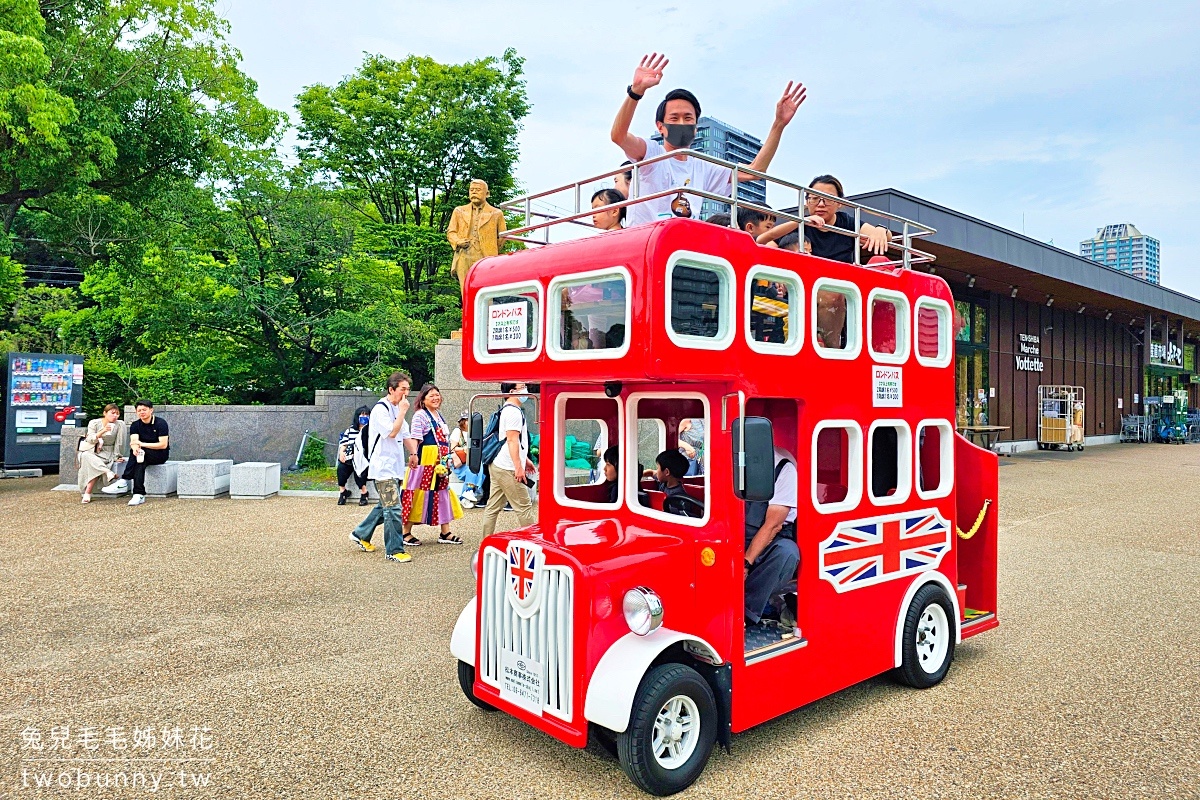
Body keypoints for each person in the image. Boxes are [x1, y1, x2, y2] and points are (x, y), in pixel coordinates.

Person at [611, 53, 807, 226]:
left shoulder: (703, 167)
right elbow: (618, 136)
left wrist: (778, 124)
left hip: (683, 245)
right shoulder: (652, 152)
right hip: (646, 238)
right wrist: (635, 92)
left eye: (688, 118)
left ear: (696, 127)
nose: (681, 123)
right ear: (660, 126)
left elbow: (756, 171)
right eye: (674, 118)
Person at [349, 371, 413, 564]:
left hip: (394, 466)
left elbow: (406, 433)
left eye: (408, 390)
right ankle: (394, 549)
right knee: (393, 509)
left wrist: (414, 454)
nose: (406, 394)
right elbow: (392, 433)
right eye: (402, 389)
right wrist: (402, 411)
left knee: (385, 506)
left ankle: (360, 533)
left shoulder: (396, 408)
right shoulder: (380, 409)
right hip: (383, 468)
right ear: (391, 389)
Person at [756, 175, 889, 262]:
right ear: (807, 202)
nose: (820, 204)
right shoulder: (798, 225)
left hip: (839, 288)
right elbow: (765, 243)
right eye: (814, 198)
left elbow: (884, 237)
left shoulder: (846, 221)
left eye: (828, 199)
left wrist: (881, 229)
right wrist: (800, 221)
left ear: (839, 203)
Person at [744, 446, 800, 629]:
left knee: (787, 553)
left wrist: (746, 562)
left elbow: (773, 525)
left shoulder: (784, 469)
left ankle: (745, 612)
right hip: (735, 532)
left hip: (770, 537)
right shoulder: (730, 462)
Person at [402, 383, 464, 545]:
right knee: (417, 493)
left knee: (441, 493)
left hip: (440, 463)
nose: (436, 398)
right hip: (424, 462)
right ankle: (405, 532)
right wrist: (414, 455)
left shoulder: (438, 415)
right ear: (423, 400)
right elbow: (415, 437)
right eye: (431, 396)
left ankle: (445, 532)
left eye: (437, 395)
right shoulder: (420, 415)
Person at [481, 382, 537, 539]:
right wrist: (518, 467)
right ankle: (533, 542)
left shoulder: (507, 409)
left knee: (493, 506)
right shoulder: (513, 412)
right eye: (522, 386)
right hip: (508, 467)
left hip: (498, 464)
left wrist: (524, 459)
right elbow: (512, 440)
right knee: (524, 506)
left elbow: (511, 440)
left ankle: (485, 541)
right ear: (512, 391)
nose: (526, 390)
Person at [101, 400, 169, 506]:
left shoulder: (160, 423)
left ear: (151, 410)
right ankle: (138, 494)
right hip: (143, 455)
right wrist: (135, 448)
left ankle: (124, 480)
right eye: (139, 410)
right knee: (139, 460)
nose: (142, 412)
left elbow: (163, 444)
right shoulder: (135, 425)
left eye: (144, 410)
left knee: (141, 453)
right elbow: (134, 441)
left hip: (160, 454)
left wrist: (141, 444)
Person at [78, 403, 127, 503]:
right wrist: (102, 431)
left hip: (107, 451)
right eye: (112, 413)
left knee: (94, 464)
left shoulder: (120, 424)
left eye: (117, 414)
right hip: (93, 450)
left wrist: (117, 456)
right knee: (86, 455)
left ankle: (88, 492)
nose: (115, 416)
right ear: (105, 413)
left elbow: (120, 442)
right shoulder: (94, 423)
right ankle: (108, 472)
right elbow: (90, 439)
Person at [336, 406, 371, 506]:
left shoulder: (372, 430)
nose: (364, 417)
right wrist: (341, 453)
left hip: (364, 458)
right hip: (350, 457)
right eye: (362, 414)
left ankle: (364, 492)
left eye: (366, 415)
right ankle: (343, 492)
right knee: (341, 468)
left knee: (359, 470)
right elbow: (344, 443)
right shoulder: (350, 430)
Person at [450, 411, 484, 508]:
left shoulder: (475, 432)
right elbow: (453, 448)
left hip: (470, 460)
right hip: (460, 461)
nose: (469, 422)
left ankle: (466, 495)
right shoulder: (458, 431)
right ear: (463, 421)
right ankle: (469, 492)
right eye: (467, 420)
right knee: (474, 467)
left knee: (476, 465)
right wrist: (464, 449)